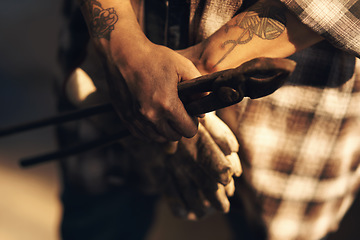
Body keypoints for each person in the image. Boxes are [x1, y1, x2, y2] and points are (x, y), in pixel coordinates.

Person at [56, 0, 360, 239]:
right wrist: (120, 46)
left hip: (292, 113)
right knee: (96, 223)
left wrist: (190, 69)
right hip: (107, 64)